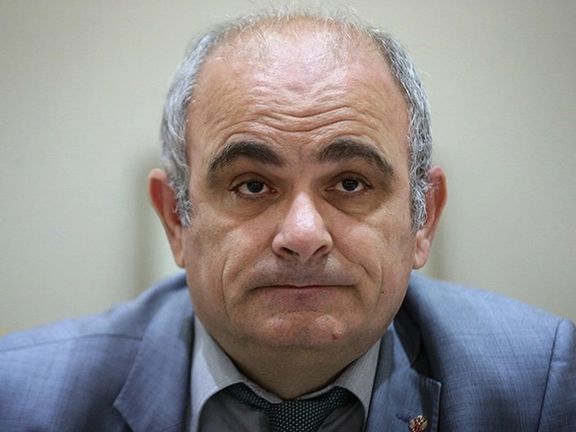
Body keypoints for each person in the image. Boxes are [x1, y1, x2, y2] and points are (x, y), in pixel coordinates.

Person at [1, 9, 574, 432]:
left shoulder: (544, 386)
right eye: (252, 185)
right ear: (176, 218)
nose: (302, 236)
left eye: (350, 184)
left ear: (422, 219)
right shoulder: (19, 400)